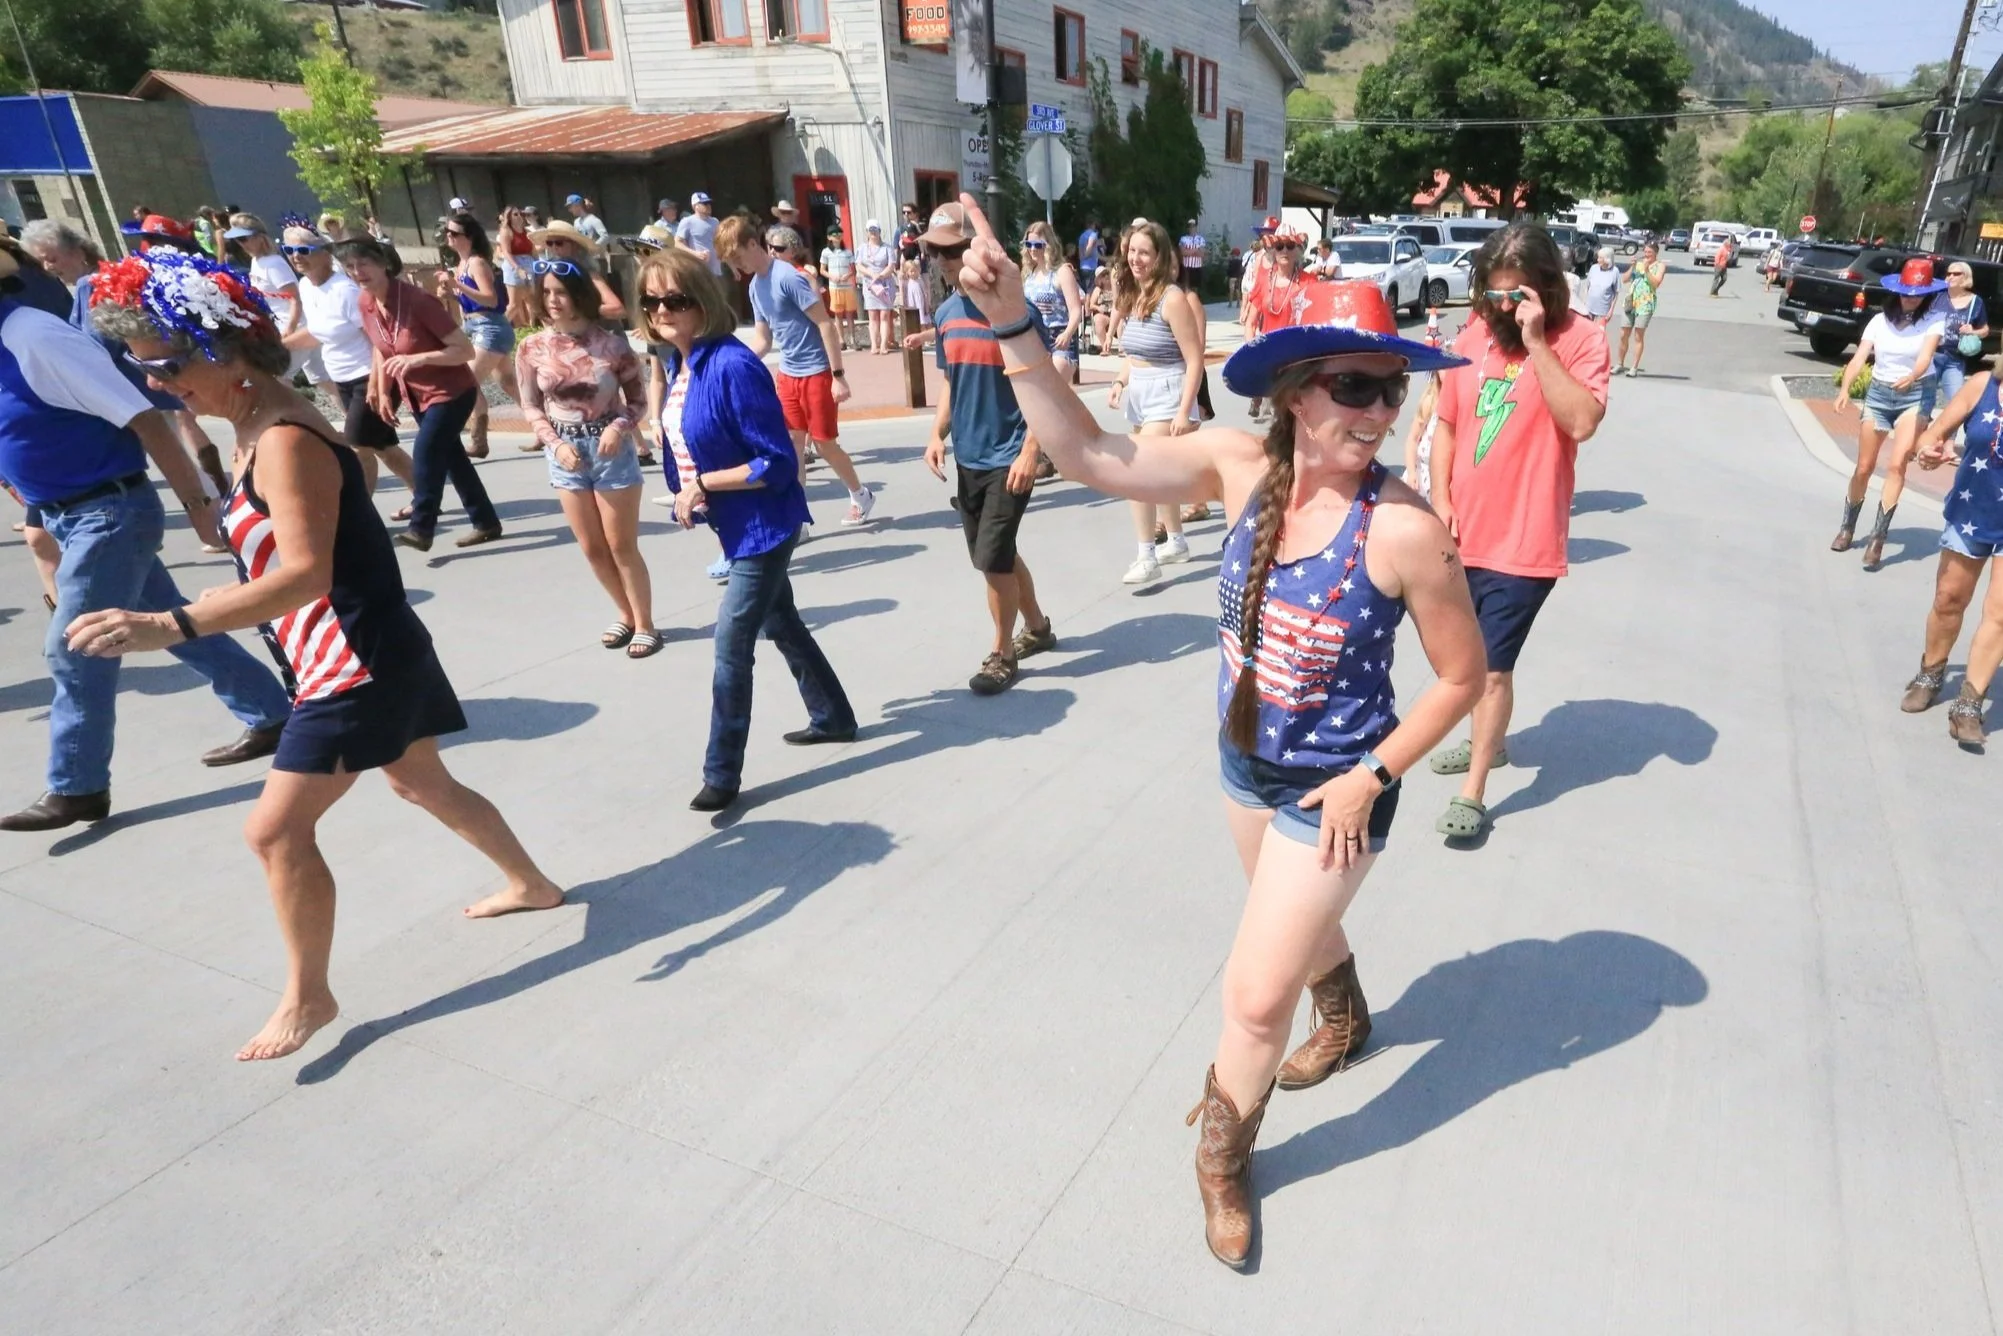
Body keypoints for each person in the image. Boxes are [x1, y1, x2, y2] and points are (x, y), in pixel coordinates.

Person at [943, 195, 1484, 1268]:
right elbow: (1089, 452)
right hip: (1243, 764)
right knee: (1293, 932)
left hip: (1337, 790)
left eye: (1391, 389)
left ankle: (1221, 1160)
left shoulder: (1405, 531)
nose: (1380, 410)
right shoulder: (1239, 467)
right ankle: (1347, 1017)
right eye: (1355, 387)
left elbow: (1462, 678)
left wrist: (1370, 777)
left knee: (1251, 994)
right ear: (1294, 392)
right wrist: (1013, 324)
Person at [78, 248, 564, 1059]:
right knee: (422, 782)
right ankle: (532, 884)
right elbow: (332, 521)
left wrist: (174, 623)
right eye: (143, 367)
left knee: (273, 832)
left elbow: (307, 573)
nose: (158, 384)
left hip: (353, 662)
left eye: (165, 365)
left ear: (223, 351)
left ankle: (310, 996)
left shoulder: (284, 440)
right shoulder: (259, 425)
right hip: (356, 649)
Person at [0, 248, 293, 832]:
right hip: (69, 514)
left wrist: (200, 506)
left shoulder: (34, 336)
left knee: (76, 644)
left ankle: (78, 786)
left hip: (107, 513)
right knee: (173, 625)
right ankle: (272, 714)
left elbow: (145, 417)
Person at [640, 247, 858, 812]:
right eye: (651, 301)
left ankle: (721, 772)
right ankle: (834, 717)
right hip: (734, 525)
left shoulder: (733, 365)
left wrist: (703, 484)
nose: (661, 311)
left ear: (701, 301)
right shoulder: (680, 363)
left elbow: (776, 463)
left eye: (674, 300)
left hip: (766, 525)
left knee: (731, 645)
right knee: (783, 623)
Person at [1426, 224, 1612, 840]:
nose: (1503, 309)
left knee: (1491, 668)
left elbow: (1581, 421)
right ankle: (1489, 738)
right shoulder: (1472, 336)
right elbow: (1447, 425)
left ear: (1547, 290)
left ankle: (1474, 790)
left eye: (1517, 297)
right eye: (1494, 295)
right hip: (1462, 533)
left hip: (1524, 542)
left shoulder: (1582, 340)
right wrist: (1440, 499)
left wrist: (1536, 344)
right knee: (1463, 660)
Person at [917, 204, 1057, 694]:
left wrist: (1032, 449)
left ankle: (1002, 653)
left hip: (1010, 455)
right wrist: (936, 434)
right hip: (969, 456)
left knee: (993, 558)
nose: (945, 261)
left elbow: (1044, 384)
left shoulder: (1015, 313)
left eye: (953, 249)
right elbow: (951, 381)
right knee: (996, 552)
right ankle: (1037, 627)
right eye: (937, 252)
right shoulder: (946, 315)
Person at [20, 218, 234, 506]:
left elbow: (97, 346)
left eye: (53, 258)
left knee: (176, 460)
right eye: (42, 261)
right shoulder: (102, 278)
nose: (48, 267)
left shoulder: (89, 284)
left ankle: (214, 509)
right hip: (147, 383)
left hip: (137, 387)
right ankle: (216, 503)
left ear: (78, 252)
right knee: (179, 451)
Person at [516, 259, 660, 657]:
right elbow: (530, 405)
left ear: (581, 295)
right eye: (546, 292)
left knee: (621, 545)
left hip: (610, 451)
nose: (553, 300)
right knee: (591, 547)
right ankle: (625, 614)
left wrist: (619, 427)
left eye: (561, 292)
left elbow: (638, 400)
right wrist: (554, 443)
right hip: (564, 452)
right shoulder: (531, 347)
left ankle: (645, 623)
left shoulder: (612, 346)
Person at [338, 237, 504, 552]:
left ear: (383, 264)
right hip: (416, 395)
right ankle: (486, 522)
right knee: (454, 459)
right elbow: (381, 346)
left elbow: (464, 350)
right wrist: (381, 389)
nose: (357, 271)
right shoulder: (366, 302)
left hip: (452, 392)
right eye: (350, 266)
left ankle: (422, 526)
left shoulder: (418, 301)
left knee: (427, 451)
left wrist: (418, 359)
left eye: (364, 263)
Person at [718, 214, 877, 527]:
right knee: (793, 444)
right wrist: (734, 364)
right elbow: (763, 340)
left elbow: (825, 324)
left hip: (817, 372)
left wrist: (838, 376)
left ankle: (860, 495)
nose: (736, 265)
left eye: (737, 256)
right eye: (730, 261)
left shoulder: (788, 277)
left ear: (753, 244)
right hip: (788, 375)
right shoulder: (755, 287)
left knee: (824, 444)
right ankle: (799, 518)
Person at [277, 224, 417, 493]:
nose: (296, 256)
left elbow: (378, 340)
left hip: (368, 377)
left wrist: (378, 385)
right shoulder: (305, 286)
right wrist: (276, 348)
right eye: (289, 250)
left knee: (357, 446)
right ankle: (424, 499)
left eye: (304, 250)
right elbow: (317, 332)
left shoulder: (346, 290)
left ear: (325, 254)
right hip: (342, 379)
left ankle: (362, 511)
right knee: (383, 447)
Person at [1106, 221, 1207, 585]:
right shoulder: (1135, 293)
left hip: (1169, 392)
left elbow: (1194, 359)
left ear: (1160, 256)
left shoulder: (1172, 298)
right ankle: (1176, 542)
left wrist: (1184, 411)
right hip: (1141, 391)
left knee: (1138, 472)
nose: (1136, 259)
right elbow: (1135, 354)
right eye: (1132, 251)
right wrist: (1120, 381)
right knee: (1158, 474)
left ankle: (1146, 555)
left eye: (1144, 252)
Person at [1907, 370, 2003, 745]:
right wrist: (1927, 451)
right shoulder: (1983, 386)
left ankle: (1968, 705)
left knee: (2000, 615)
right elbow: (1932, 435)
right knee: (1949, 599)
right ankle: (1931, 673)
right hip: (1970, 514)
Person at [1831, 258, 1946, 569]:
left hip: (1915, 394)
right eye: (1906, 292)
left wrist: (1913, 375)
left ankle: (1878, 538)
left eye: (1918, 294)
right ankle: (1847, 527)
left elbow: (1926, 356)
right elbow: (1859, 357)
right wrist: (1845, 388)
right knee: (1864, 467)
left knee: (1897, 465)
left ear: (1927, 294)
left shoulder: (1934, 320)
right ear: (1897, 291)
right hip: (1880, 393)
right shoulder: (1879, 321)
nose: (1911, 298)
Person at [442, 211, 521, 460]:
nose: (448, 236)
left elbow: (490, 299)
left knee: (465, 380)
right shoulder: (461, 264)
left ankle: (478, 440)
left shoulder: (476, 263)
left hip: (490, 329)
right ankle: (546, 428)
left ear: (468, 236)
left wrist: (457, 285)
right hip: (477, 327)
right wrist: (452, 295)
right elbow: (472, 302)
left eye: (453, 233)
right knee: (508, 383)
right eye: (447, 232)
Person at [1239, 227, 1309, 423]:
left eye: (1290, 246)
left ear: (1298, 250)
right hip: (1270, 356)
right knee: (1277, 417)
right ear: (1272, 251)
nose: (1284, 250)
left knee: (1294, 415)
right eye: (1279, 246)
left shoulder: (1309, 281)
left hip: (1297, 358)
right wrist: (1252, 351)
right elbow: (1251, 323)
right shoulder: (1264, 280)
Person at [1019, 220, 1083, 376]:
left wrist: (1067, 334)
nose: (1032, 249)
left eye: (1038, 245)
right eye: (1029, 244)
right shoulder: (1028, 274)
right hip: (1034, 337)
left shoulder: (1061, 272)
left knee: (1054, 379)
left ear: (1048, 246)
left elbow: (1076, 311)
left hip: (1059, 339)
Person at [528, 219, 625, 321]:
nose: (554, 247)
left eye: (559, 243)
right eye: (549, 243)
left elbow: (618, 309)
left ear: (575, 245)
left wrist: (580, 309)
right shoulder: (550, 274)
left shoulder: (588, 274)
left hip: (596, 328)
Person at [1929, 259, 1990, 409]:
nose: (1951, 276)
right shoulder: (1937, 297)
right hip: (1933, 355)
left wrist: (1972, 331)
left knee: (1956, 401)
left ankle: (1951, 425)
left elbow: (1985, 330)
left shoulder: (1976, 301)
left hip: (1955, 359)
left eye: (1956, 274)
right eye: (1948, 273)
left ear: (1966, 277)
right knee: (1924, 401)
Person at [1614, 242, 1666, 378]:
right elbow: (1624, 279)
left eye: (1649, 252)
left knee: (1638, 336)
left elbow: (1656, 283)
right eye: (1645, 252)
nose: (1646, 255)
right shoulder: (1639, 264)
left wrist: (1647, 270)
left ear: (1655, 253)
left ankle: (1634, 367)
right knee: (1623, 334)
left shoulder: (1660, 266)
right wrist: (1632, 266)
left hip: (1645, 304)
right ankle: (1619, 363)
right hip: (1631, 302)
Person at [857, 221, 899, 355]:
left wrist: (880, 275)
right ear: (867, 232)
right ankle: (874, 345)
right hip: (870, 285)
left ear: (880, 232)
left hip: (885, 284)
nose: (873, 233)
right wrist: (871, 274)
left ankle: (884, 345)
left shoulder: (887, 248)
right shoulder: (862, 248)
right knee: (873, 315)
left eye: (875, 230)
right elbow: (859, 265)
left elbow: (891, 266)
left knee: (885, 315)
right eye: (870, 230)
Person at [1402, 373, 1443, 504]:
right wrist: (1412, 472)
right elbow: (1412, 439)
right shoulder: (1431, 401)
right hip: (1420, 477)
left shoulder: (1462, 404)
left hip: (1442, 481)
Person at [819, 226, 861, 352]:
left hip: (847, 286)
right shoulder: (826, 252)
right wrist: (831, 276)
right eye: (834, 234)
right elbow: (822, 270)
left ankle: (853, 339)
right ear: (829, 237)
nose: (837, 236)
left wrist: (847, 276)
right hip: (834, 286)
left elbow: (853, 270)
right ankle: (841, 340)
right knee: (838, 314)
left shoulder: (847, 252)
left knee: (849, 313)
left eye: (839, 233)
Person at [496, 206, 537, 328]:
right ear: (508, 217)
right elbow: (506, 252)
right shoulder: (506, 232)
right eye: (515, 214)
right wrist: (518, 268)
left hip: (529, 265)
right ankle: (499, 328)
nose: (519, 216)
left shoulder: (527, 231)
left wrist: (538, 266)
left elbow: (533, 251)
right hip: (514, 266)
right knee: (514, 304)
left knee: (532, 299)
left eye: (520, 214)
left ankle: (532, 327)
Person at [675, 191, 722, 275]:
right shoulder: (687, 221)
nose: (708, 206)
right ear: (695, 206)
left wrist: (732, 267)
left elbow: (721, 244)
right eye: (704, 204)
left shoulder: (715, 221)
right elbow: (677, 244)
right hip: (699, 271)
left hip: (716, 271)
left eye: (709, 203)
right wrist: (696, 254)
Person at [1583, 247, 1621, 326]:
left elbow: (1616, 293)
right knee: (1588, 330)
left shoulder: (1615, 271)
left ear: (1607, 259)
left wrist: (1611, 310)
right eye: (1598, 257)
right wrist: (1584, 303)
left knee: (1599, 331)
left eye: (1600, 258)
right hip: (1589, 308)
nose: (1598, 260)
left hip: (1603, 310)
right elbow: (1587, 287)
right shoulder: (1593, 268)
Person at [1178, 218, 1207, 291]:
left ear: (1196, 227)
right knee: (1186, 286)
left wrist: (1189, 251)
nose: (1192, 228)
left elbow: (1201, 254)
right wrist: (1196, 249)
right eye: (1190, 227)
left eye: (1193, 226)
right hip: (1186, 267)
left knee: (1195, 288)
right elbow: (1183, 252)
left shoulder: (1201, 239)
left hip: (1197, 267)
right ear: (1188, 228)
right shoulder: (1183, 239)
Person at [1077, 217, 1102, 287]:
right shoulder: (1093, 234)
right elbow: (1089, 247)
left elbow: (1080, 250)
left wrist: (1082, 259)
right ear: (1093, 225)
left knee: (1084, 288)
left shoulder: (1082, 236)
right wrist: (1086, 255)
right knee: (1091, 289)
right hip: (1091, 267)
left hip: (1082, 266)